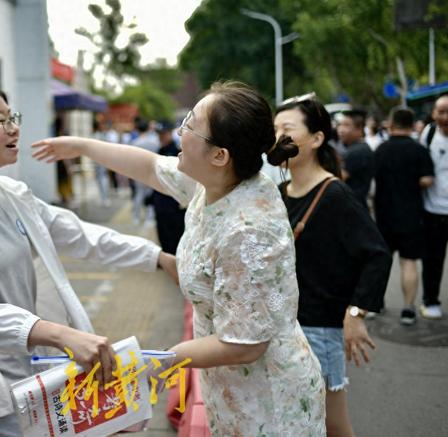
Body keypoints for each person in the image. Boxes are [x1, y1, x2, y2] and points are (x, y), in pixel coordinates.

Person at [33, 81, 326, 436]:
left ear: (220, 155)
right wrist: (80, 145)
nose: (179, 132)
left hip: (268, 402)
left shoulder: (249, 231)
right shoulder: (215, 183)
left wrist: (161, 360)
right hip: (232, 390)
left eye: (190, 125)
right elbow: (150, 167)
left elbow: (244, 345)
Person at [0, 81, 177, 436]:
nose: (14, 128)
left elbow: (82, 235)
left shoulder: (12, 195)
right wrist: (56, 334)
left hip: (44, 371)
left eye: (13, 117)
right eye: (0, 121)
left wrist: (158, 258)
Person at [274, 96, 391, 437]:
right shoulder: (280, 192)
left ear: (316, 139)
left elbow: (377, 254)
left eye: (287, 129)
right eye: (274, 129)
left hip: (320, 330)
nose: (278, 136)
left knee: (333, 425)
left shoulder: (334, 194)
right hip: (284, 327)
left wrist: (355, 314)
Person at [374, 106, 435, 325]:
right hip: (411, 216)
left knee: (382, 261)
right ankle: (408, 309)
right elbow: (428, 179)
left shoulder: (381, 149)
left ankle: (376, 303)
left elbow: (373, 180)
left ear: (391, 123)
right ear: (411, 125)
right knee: (409, 263)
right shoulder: (419, 150)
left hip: (384, 215)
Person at [419, 94, 448, 319]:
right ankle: (430, 300)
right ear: (434, 114)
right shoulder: (428, 135)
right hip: (433, 211)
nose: (445, 117)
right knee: (433, 260)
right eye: (441, 112)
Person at [151, 122, 185, 254]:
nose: (161, 137)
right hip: (160, 201)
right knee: (163, 232)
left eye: (163, 134)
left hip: (174, 202)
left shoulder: (177, 152)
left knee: (174, 234)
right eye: (159, 134)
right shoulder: (160, 150)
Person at [337, 109, 375, 208]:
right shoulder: (359, 148)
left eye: (346, 125)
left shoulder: (356, 151)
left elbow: (338, 178)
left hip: (353, 206)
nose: (341, 129)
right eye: (340, 125)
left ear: (359, 129)